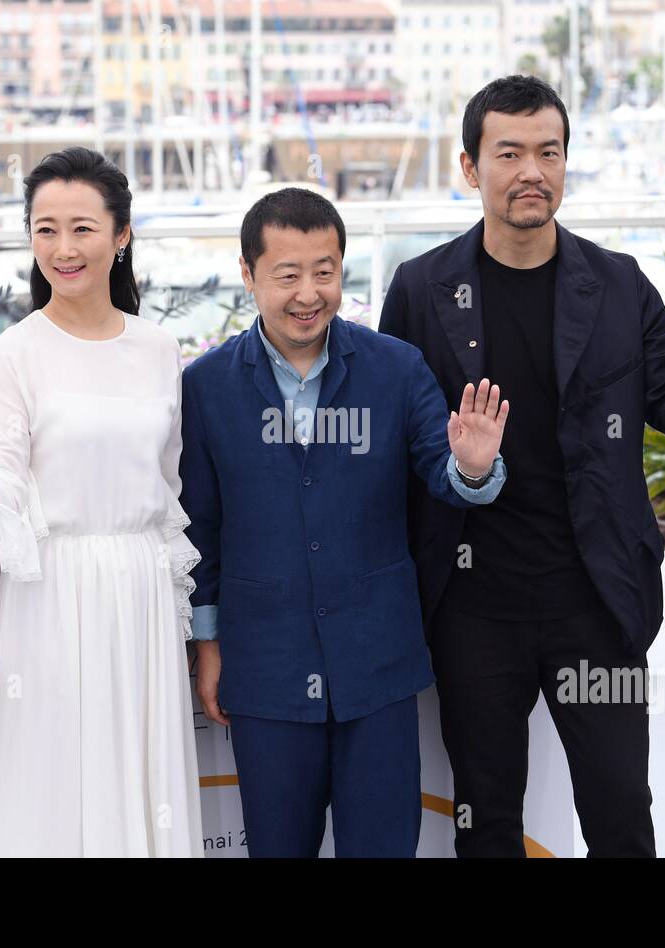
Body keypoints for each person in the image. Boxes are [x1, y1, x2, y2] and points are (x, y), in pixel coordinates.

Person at [377, 75, 665, 857]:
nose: (533, 170)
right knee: (485, 814)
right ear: (470, 167)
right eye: (510, 152)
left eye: (549, 152)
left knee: (621, 811)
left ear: (566, 163)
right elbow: (395, 451)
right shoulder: (422, 289)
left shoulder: (619, 283)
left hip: (595, 601)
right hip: (470, 605)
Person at [182, 187, 510, 857]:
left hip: (378, 664)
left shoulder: (395, 367)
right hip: (264, 667)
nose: (309, 293)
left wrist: (474, 466)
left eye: (325, 271)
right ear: (249, 275)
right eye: (288, 274)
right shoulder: (205, 385)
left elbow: (444, 477)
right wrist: (208, 645)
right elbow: (201, 528)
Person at [0, 147, 203, 857]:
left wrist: (181, 616)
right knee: (54, 789)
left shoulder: (161, 349)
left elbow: (171, 495)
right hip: (51, 595)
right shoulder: (15, 352)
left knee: (144, 782)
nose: (62, 249)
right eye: (44, 230)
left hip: (142, 601)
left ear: (121, 235)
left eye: (81, 228)